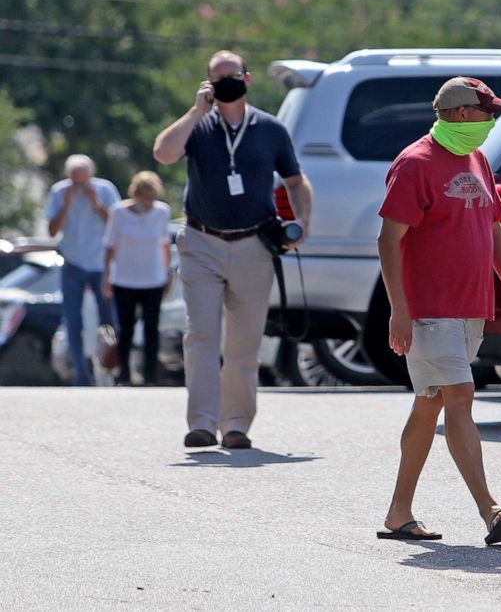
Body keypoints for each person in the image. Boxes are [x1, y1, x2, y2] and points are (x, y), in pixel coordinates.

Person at [376, 77, 501, 545]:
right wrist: (398, 310)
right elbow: (388, 239)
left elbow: (493, 228)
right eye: (487, 113)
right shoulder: (415, 162)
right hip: (428, 310)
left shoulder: (476, 158)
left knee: (430, 405)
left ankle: (398, 512)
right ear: (461, 113)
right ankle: (491, 510)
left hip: (469, 308)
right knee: (460, 394)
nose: (491, 122)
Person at [153, 50, 313, 450]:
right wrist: (195, 111)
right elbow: (163, 153)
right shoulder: (199, 126)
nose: (227, 82)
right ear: (207, 83)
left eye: (233, 75)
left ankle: (236, 425)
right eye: (218, 77)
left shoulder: (270, 129)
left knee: (244, 342)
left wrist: (302, 223)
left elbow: (296, 181)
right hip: (202, 242)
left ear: (248, 78)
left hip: (253, 244)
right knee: (201, 334)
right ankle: (203, 423)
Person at [45, 154, 121, 386]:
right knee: (73, 321)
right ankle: (81, 376)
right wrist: (67, 204)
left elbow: (117, 224)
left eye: (83, 181)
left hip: (100, 264)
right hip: (72, 263)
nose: (79, 185)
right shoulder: (60, 191)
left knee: (110, 320)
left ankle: (114, 371)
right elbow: (52, 230)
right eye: (75, 181)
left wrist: (96, 204)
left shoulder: (105, 189)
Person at [101, 171, 171, 386]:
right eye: (145, 197)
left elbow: (164, 243)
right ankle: (123, 374)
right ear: (136, 194)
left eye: (151, 198)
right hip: (125, 278)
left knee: (152, 328)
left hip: (153, 278)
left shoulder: (161, 211)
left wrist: (167, 272)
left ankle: (150, 375)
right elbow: (110, 245)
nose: (148, 203)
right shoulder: (119, 212)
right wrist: (105, 275)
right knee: (126, 327)